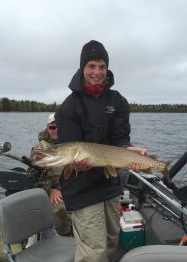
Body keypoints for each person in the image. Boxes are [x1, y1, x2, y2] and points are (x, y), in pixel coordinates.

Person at [56, 40, 147, 262]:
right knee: (93, 252)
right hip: (82, 190)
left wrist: (128, 152)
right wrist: (76, 163)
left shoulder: (117, 101)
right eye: (92, 66)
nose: (97, 72)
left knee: (111, 240)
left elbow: (120, 139)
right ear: (82, 68)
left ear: (107, 69)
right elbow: (69, 150)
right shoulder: (68, 107)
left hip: (109, 186)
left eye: (102, 66)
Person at [30, 113, 72, 236]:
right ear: (47, 129)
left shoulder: (70, 143)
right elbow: (34, 176)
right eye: (52, 127)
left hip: (73, 184)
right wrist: (51, 190)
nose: (56, 130)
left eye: (59, 127)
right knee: (59, 209)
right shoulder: (39, 149)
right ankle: (65, 233)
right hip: (55, 188)